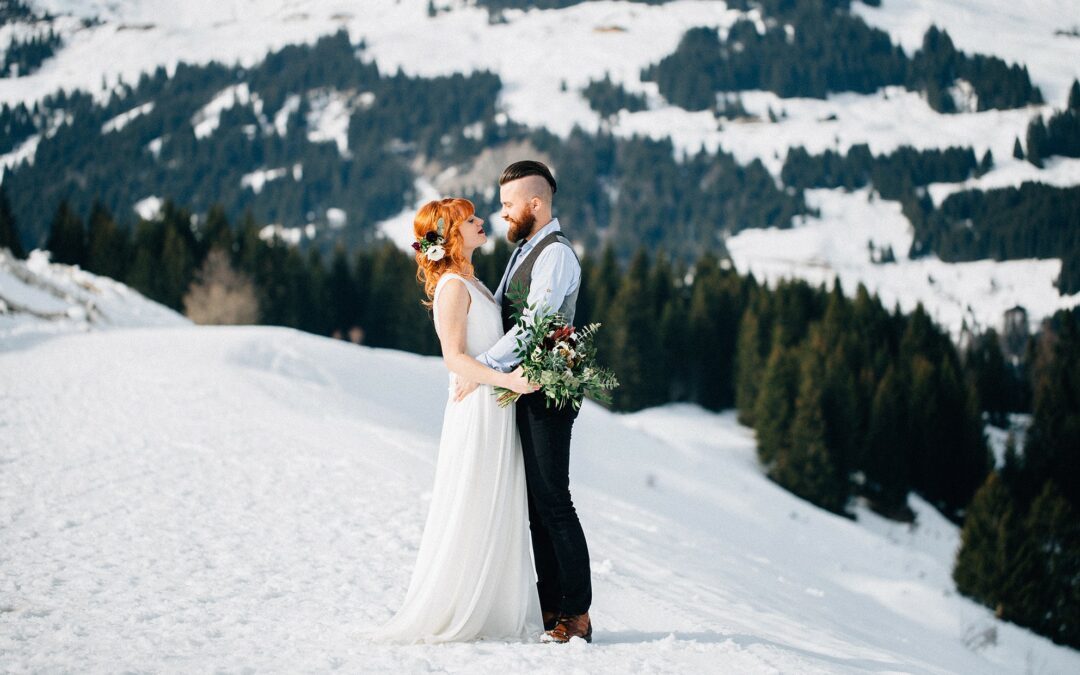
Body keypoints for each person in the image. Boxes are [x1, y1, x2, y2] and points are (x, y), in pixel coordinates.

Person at [370, 197, 541, 644]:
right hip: (478, 410)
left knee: (497, 498)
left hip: (494, 404)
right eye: (470, 220)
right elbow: (453, 358)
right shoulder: (451, 287)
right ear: (451, 235)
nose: (481, 221)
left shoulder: (472, 281)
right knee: (475, 497)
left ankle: (496, 606)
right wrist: (509, 380)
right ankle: (464, 604)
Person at [456, 160, 593, 644]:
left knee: (554, 501)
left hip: (548, 391)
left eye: (509, 205)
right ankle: (553, 607)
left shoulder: (554, 255)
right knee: (537, 504)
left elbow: (535, 324)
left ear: (535, 204)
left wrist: (483, 370)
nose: (503, 214)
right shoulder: (524, 250)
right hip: (523, 385)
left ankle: (576, 614)